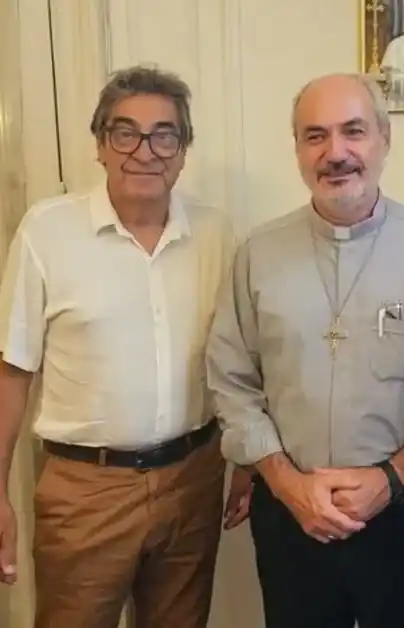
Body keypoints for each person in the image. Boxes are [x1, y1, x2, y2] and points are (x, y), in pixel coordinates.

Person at [206, 72, 404, 628]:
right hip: (292, 514)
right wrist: (288, 485)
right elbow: (231, 380)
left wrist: (391, 479)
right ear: (296, 149)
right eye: (315, 135)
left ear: (385, 140)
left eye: (353, 132)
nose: (335, 152)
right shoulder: (257, 255)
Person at [0, 65, 241, 628]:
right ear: (100, 144)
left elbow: (239, 362)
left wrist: (246, 462)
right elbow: (13, 370)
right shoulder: (46, 232)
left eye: (165, 135)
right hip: (86, 492)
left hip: (194, 477)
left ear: (183, 151)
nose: (145, 151)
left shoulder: (217, 234)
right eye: (124, 132)